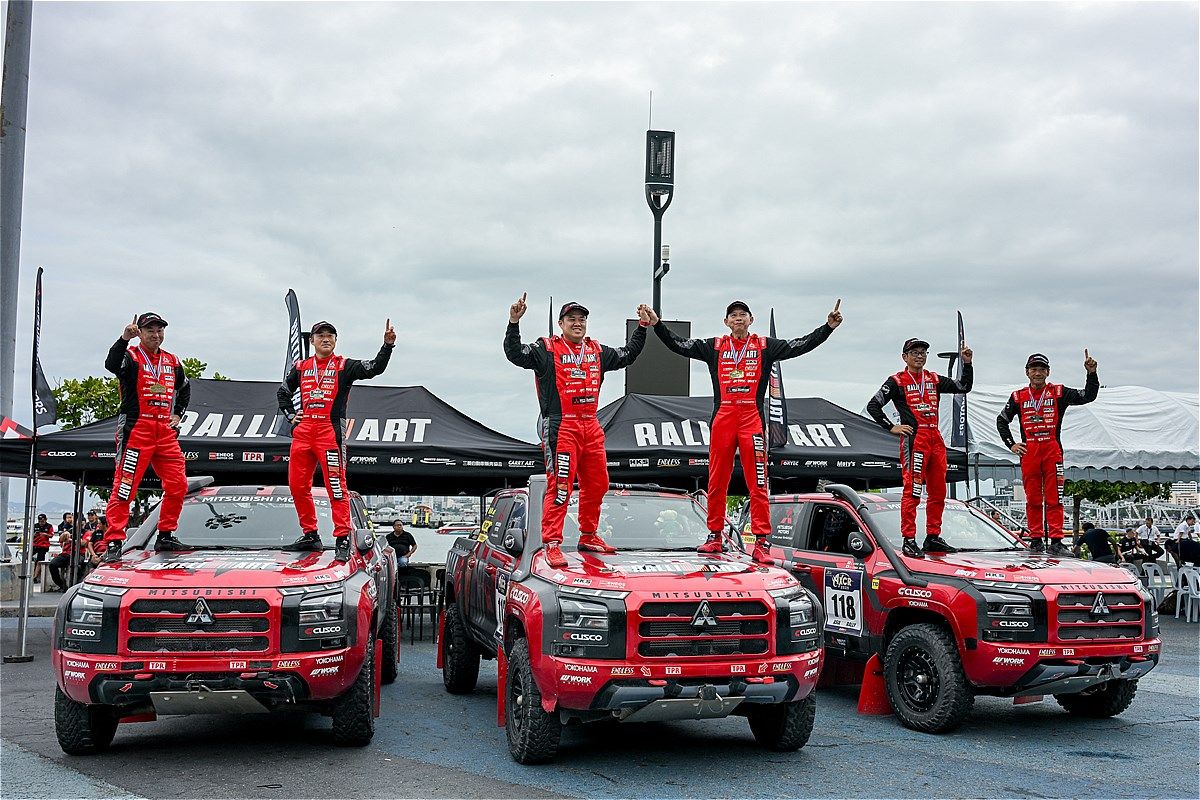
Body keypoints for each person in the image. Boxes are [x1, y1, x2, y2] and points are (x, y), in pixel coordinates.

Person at [648, 300, 842, 564]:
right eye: (733, 315)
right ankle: (714, 536)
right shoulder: (714, 346)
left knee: (758, 482)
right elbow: (678, 345)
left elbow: (800, 345)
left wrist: (827, 327)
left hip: (751, 419)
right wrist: (658, 325)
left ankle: (762, 542)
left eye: (743, 315)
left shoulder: (765, 345)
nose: (738, 319)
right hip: (723, 418)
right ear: (726, 322)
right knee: (717, 480)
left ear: (751, 319)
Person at [505, 295, 648, 568]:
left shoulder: (596, 350)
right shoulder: (545, 349)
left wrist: (642, 327)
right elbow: (515, 354)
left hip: (591, 424)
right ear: (561, 324)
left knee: (599, 483)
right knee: (560, 487)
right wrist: (514, 322)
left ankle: (589, 534)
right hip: (561, 425)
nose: (578, 323)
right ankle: (552, 543)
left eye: (582, 319)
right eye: (572, 319)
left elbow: (628, 354)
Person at [278, 319, 395, 560]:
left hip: (329, 432)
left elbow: (374, 368)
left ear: (335, 340)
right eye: (320, 335)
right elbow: (283, 392)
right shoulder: (301, 367)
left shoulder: (344, 366)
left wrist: (387, 346)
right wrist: (291, 415)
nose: (326, 338)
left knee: (336, 487)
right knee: (297, 486)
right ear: (312, 341)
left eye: (330, 335)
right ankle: (310, 534)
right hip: (303, 431)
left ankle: (342, 537)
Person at [866, 338, 973, 558]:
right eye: (914, 352)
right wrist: (891, 427)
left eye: (923, 352)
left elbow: (964, 387)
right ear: (905, 357)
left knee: (938, 492)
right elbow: (873, 405)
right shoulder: (896, 381)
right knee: (913, 490)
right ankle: (909, 539)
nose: (919, 356)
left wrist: (968, 364)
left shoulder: (933, 379)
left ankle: (933, 536)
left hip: (935, 438)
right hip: (915, 440)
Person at [101, 312, 191, 562]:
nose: (156, 334)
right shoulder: (130, 357)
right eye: (150, 330)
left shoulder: (172, 361)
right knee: (125, 486)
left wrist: (178, 415)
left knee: (178, 485)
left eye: (160, 329)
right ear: (140, 332)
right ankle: (114, 541)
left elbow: (184, 388)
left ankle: (165, 534)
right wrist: (123, 339)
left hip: (165, 431)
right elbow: (111, 365)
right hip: (136, 429)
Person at [996, 351, 1098, 557]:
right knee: (1033, 498)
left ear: (1048, 372)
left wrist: (1092, 373)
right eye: (1034, 369)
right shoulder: (1018, 396)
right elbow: (1001, 420)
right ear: (1027, 372)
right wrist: (1012, 445)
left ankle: (1056, 541)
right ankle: (1035, 540)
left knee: (1055, 498)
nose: (1038, 373)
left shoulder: (1059, 392)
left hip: (1052, 450)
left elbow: (1088, 396)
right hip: (1030, 451)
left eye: (1042, 369)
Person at [31, 513, 53, 584]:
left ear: (46, 520)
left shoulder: (49, 526)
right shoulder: (35, 526)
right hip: (35, 544)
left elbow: (51, 535)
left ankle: (35, 577)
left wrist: (45, 534)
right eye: (40, 521)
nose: (41, 523)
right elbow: (31, 535)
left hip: (44, 546)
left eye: (43, 521)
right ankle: (31, 573)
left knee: (39, 561)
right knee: (27, 557)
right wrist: (34, 534)